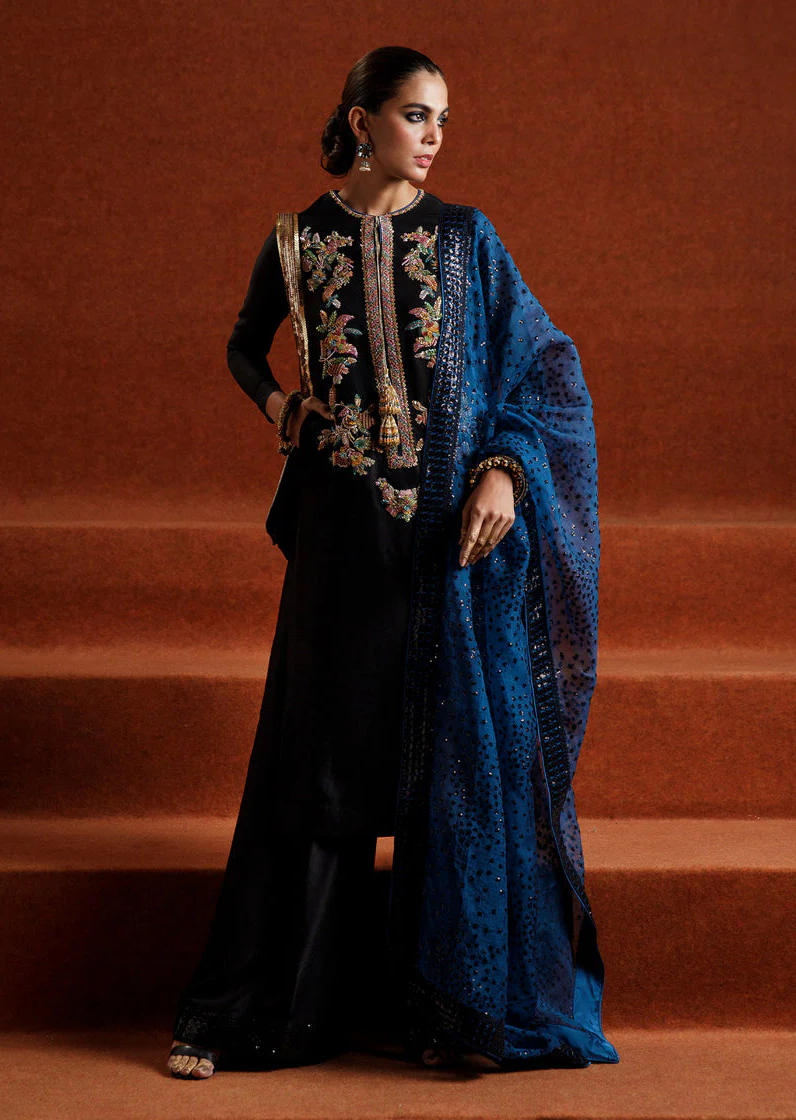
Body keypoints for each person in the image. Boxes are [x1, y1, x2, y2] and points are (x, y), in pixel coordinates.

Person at [167, 45, 620, 1080]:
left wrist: (504, 470)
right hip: (338, 537)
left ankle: (453, 1005)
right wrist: (283, 407)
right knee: (318, 762)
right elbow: (242, 344)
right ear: (361, 119)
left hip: (443, 543)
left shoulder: (465, 239)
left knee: (454, 756)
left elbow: (545, 365)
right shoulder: (297, 240)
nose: (433, 137)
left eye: (443, 120)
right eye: (416, 115)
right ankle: (283, 1012)